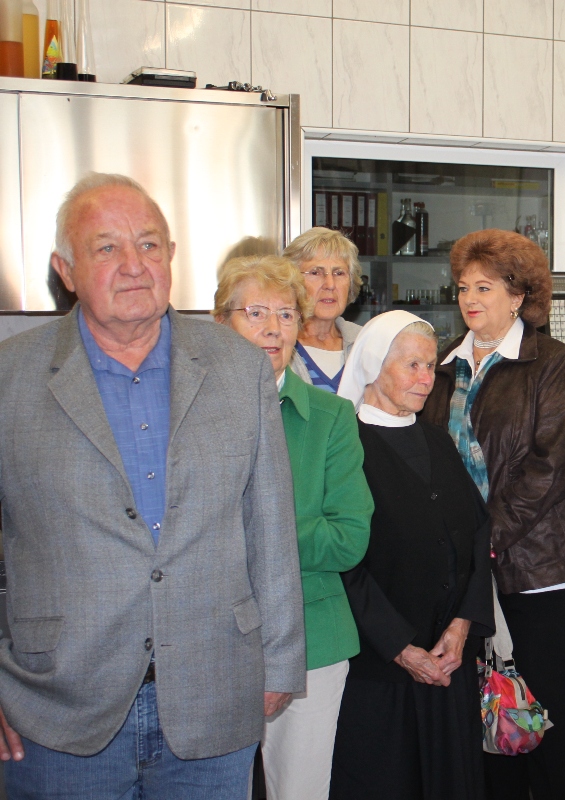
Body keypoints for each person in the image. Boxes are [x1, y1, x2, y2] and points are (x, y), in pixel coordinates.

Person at [0, 173, 305, 798]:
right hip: (54, 707)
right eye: (106, 248)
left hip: (215, 697)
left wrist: (279, 661)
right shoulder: (10, 376)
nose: (134, 265)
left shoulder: (238, 367)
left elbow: (270, 525)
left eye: (148, 244)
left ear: (171, 256)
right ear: (66, 270)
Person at [422, 229, 565, 800]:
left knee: (545, 712)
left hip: (544, 567)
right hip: (471, 567)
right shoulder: (444, 363)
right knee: (490, 710)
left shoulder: (555, 363)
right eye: (462, 287)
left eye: (485, 287)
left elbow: (550, 469)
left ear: (519, 296)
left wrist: (483, 542)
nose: (469, 298)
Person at [213, 255, 374, 800]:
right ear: (221, 322)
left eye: (286, 315)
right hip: (210, 639)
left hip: (313, 638)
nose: (273, 328)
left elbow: (348, 539)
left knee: (300, 791)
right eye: (255, 312)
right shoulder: (186, 415)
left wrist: (253, 528)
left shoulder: (331, 417)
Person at [330, 311, 493, 799]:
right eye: (412, 366)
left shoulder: (437, 438)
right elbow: (345, 566)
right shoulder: (346, 446)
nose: (426, 380)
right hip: (381, 671)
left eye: (430, 366)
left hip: (448, 662)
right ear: (374, 366)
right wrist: (401, 647)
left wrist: (462, 626)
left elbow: (479, 532)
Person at [283, 226, 365, 392]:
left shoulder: (366, 342)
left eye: (339, 273)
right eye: (315, 272)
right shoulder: (277, 343)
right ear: (293, 281)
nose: (330, 284)